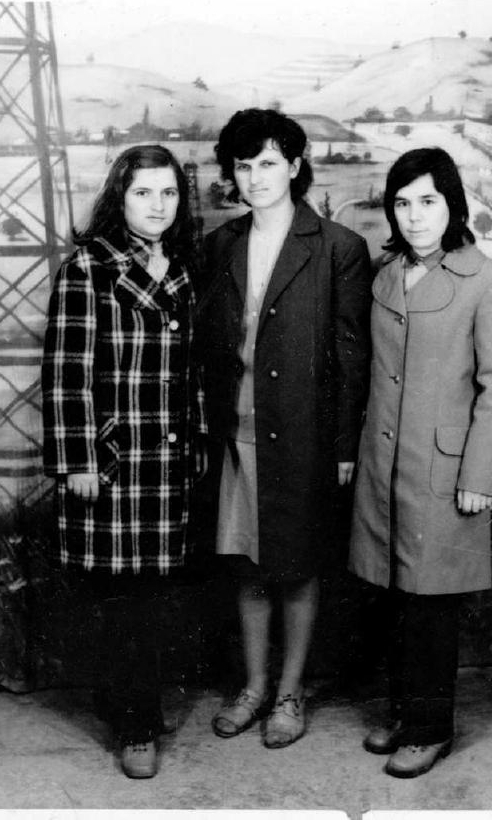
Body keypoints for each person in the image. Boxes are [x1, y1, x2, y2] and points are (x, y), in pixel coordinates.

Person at [197, 108, 371, 748]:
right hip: (237, 433)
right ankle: (253, 687)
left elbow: (352, 357)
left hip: (303, 436)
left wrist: (344, 446)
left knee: (297, 567)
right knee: (247, 563)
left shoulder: (338, 248)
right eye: (243, 165)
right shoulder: (221, 243)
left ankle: (290, 693)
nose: (256, 177)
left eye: (269, 162)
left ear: (295, 166)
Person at [349, 147, 492, 778]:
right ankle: (405, 715)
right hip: (385, 462)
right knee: (395, 594)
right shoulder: (387, 273)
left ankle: (430, 730)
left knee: (431, 604)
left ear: (453, 204)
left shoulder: (487, 282)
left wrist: (480, 478)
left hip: (445, 472)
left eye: (428, 201)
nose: (414, 215)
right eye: (402, 203)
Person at [41, 144, 206, 779]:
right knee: (124, 598)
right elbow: (67, 374)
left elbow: (191, 369)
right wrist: (78, 459)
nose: (158, 205)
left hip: (168, 461)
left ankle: (125, 699)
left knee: (154, 596)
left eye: (169, 193)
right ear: (120, 198)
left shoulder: (182, 268)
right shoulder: (89, 268)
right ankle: (137, 725)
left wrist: (195, 439)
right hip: (113, 461)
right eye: (143, 193)